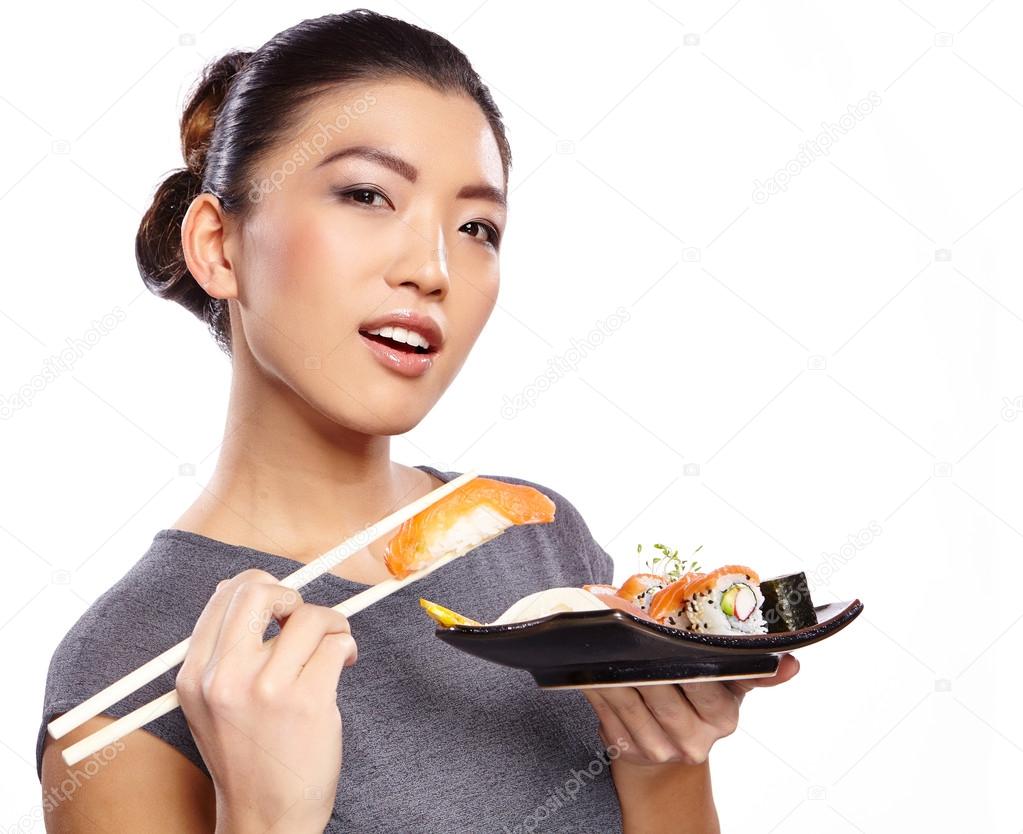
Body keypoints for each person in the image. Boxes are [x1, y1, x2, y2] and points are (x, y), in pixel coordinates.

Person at [37, 9, 799, 832]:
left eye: (476, 228)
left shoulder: (538, 541)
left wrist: (661, 766)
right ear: (219, 246)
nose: (434, 269)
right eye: (367, 195)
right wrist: (264, 814)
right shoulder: (125, 670)